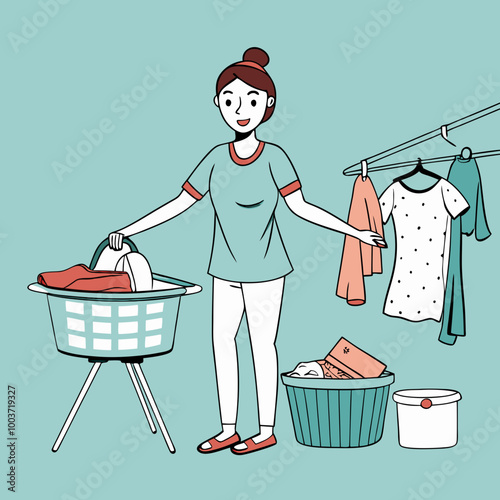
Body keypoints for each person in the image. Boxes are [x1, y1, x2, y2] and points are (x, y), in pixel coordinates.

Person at [108, 47, 385, 455]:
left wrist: (355, 232)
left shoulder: (275, 158)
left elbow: (301, 208)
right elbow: (179, 203)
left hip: (268, 270)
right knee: (221, 344)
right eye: (231, 100)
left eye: (252, 100)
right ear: (218, 104)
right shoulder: (215, 159)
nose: (241, 109)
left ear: (268, 105)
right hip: (224, 270)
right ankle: (228, 428)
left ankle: (266, 428)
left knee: (261, 345)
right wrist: (129, 229)